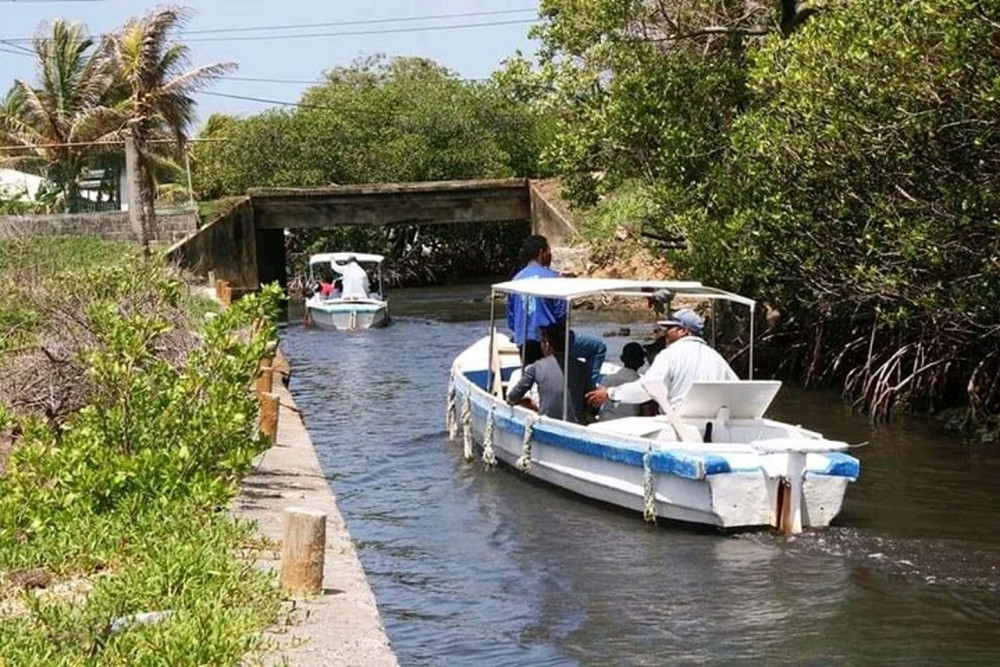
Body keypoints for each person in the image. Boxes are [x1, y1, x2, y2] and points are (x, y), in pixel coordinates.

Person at [586, 308, 737, 412]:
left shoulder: (669, 355)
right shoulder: (716, 358)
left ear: (683, 331)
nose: (665, 333)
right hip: (712, 426)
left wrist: (610, 394)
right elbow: (736, 389)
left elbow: (647, 389)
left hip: (678, 426)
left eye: (669, 329)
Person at [507, 321, 591, 424]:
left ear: (547, 344)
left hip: (547, 424)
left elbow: (512, 397)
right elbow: (588, 400)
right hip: (576, 424)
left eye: (541, 341)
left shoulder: (536, 367)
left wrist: (525, 402)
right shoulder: (581, 367)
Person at [506, 235, 564, 365]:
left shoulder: (515, 280)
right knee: (596, 347)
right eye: (549, 251)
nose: (550, 255)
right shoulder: (554, 278)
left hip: (524, 341)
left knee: (530, 372)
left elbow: (511, 320)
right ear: (541, 252)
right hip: (550, 341)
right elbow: (562, 315)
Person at [598, 342, 647, 421]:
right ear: (642, 362)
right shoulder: (641, 383)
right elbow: (645, 411)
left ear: (622, 358)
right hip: (629, 424)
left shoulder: (607, 379)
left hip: (605, 421)